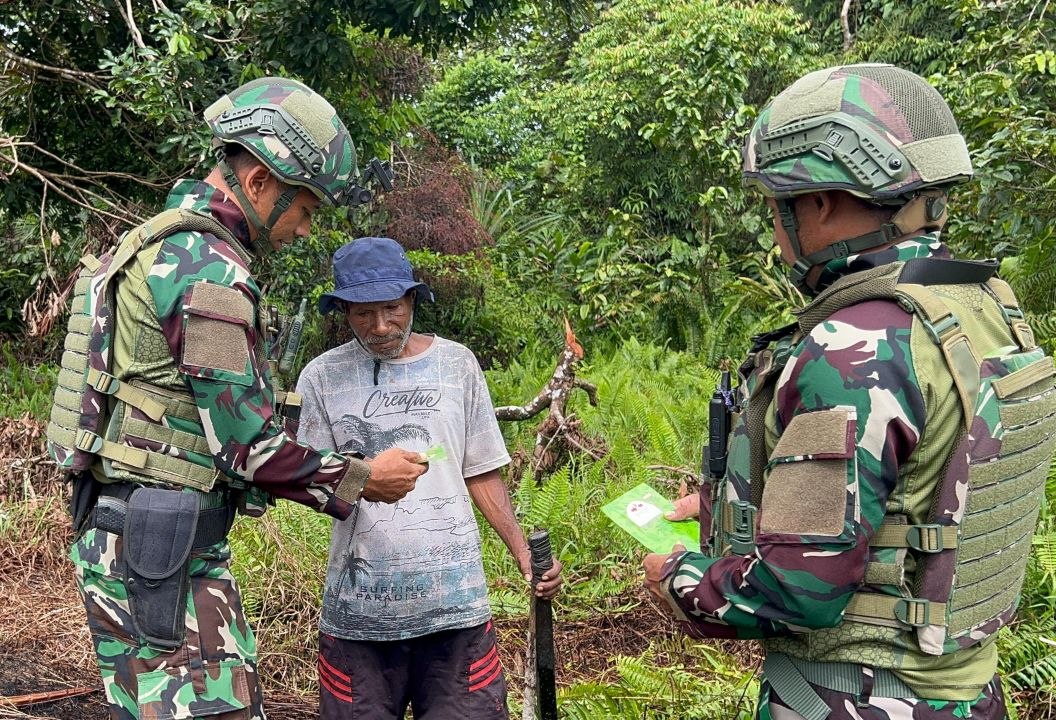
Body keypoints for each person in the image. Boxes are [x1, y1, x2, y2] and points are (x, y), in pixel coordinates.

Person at [642, 64, 1055, 720]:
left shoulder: (853, 343)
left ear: (820, 203)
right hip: (965, 693)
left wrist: (679, 578)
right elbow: (922, 488)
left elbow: (797, 591)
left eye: (777, 208)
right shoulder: (984, 308)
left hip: (856, 697)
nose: (777, 236)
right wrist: (735, 502)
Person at [46, 78, 428, 720]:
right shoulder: (206, 269)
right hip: (160, 548)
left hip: (149, 536)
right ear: (258, 182)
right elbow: (248, 447)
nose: (305, 230)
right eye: (305, 209)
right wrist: (363, 479)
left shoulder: (164, 242)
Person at [295, 236, 564, 720]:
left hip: (456, 612)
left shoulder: (456, 364)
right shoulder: (321, 377)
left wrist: (522, 551)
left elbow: (479, 468)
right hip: (359, 620)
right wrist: (363, 478)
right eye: (363, 313)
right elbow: (305, 481)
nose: (380, 326)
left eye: (392, 309)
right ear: (343, 311)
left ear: (413, 299)